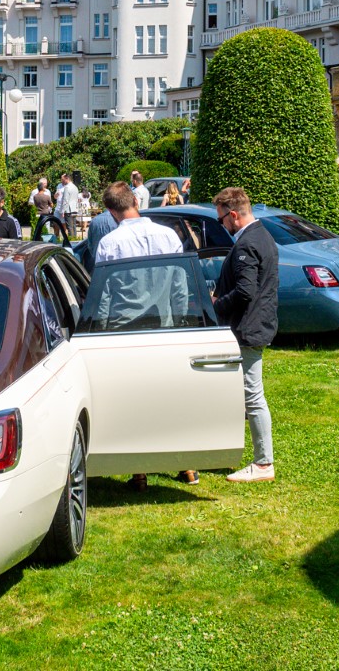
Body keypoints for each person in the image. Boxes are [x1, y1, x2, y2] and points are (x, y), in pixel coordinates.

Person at [90, 182, 196, 488]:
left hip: (126, 330)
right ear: (136, 200)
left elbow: (105, 293)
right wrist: (181, 322)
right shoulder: (168, 235)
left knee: (132, 400)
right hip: (164, 325)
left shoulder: (110, 243)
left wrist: (100, 329)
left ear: (111, 212)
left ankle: (139, 472)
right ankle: (186, 464)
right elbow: (180, 285)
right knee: (170, 396)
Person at [211, 187, 279, 483]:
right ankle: (230, 449)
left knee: (253, 396)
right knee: (243, 393)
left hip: (249, 327)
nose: (222, 226)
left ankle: (264, 463)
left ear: (234, 215)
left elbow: (245, 291)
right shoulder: (262, 234)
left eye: (221, 220)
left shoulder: (246, 244)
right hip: (257, 322)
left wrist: (216, 304)